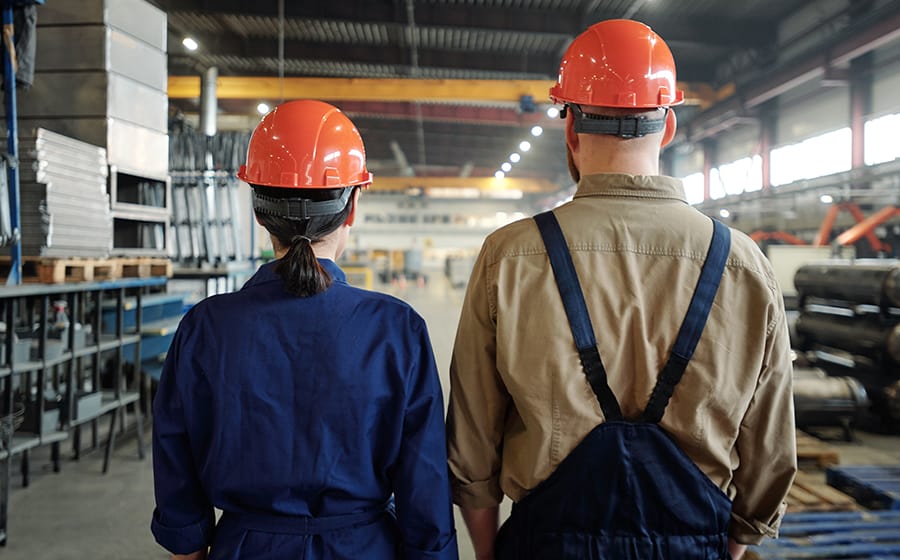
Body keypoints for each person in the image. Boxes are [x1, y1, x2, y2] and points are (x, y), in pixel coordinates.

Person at [446, 19, 797, 560]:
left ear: (570, 128)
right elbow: (771, 448)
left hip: (545, 545)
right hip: (694, 545)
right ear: (670, 125)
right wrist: (728, 546)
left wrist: (491, 552)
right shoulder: (743, 263)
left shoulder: (510, 255)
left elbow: (471, 441)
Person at [151, 100, 458, 560]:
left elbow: (175, 459)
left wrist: (190, 544)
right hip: (364, 548)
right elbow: (425, 478)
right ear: (352, 206)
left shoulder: (205, 327)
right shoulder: (396, 329)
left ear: (258, 209)